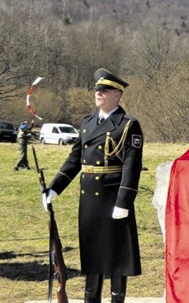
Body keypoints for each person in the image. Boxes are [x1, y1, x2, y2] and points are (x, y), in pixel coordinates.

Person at [42, 68, 143, 303]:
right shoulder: (87, 123)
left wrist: (124, 202)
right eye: (97, 89)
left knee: (117, 258)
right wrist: (54, 188)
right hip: (90, 201)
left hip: (112, 198)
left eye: (104, 89)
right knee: (93, 255)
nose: (99, 93)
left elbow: (131, 166)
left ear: (117, 95)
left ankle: (117, 299)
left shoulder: (128, 125)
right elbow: (75, 160)